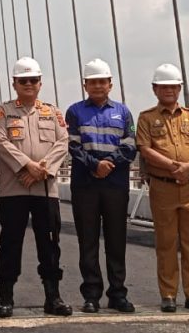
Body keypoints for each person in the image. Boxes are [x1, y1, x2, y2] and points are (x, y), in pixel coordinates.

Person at [0, 57, 72, 318]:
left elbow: (63, 142)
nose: (28, 84)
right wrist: (27, 166)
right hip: (13, 190)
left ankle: (53, 297)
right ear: (14, 83)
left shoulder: (52, 112)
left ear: (40, 83)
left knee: (49, 244)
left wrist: (42, 170)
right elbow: (0, 142)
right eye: (22, 80)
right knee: (10, 244)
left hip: (45, 189)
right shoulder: (3, 112)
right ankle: (5, 299)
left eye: (33, 80)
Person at [136, 63, 189, 313]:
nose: (168, 90)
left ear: (180, 88)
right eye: (163, 86)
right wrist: (174, 166)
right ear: (155, 89)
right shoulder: (146, 118)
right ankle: (168, 294)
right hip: (163, 186)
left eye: (173, 86)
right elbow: (145, 149)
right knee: (166, 242)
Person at [65, 59, 136, 314]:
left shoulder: (123, 112)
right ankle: (91, 295)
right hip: (86, 184)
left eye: (101, 81)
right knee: (88, 240)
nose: (97, 86)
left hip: (115, 184)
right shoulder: (74, 111)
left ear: (110, 84)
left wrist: (108, 163)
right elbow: (73, 146)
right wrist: (95, 165)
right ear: (85, 84)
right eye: (92, 82)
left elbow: (130, 145)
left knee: (117, 240)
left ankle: (118, 294)